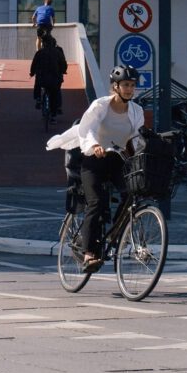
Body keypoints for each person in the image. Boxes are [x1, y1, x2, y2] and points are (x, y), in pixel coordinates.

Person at [72, 65, 144, 271]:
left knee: (132, 193)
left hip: (117, 161)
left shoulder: (136, 111)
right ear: (116, 86)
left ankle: (115, 234)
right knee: (96, 203)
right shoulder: (100, 106)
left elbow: (137, 137)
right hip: (94, 161)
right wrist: (95, 145)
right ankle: (88, 254)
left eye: (132, 85)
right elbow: (87, 128)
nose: (130, 89)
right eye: (126, 85)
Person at [29, 33, 67, 123]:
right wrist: (63, 71)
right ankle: (53, 115)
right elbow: (63, 64)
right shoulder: (58, 52)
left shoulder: (39, 53)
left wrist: (32, 73)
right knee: (55, 93)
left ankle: (38, 98)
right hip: (55, 79)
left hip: (42, 79)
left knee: (37, 82)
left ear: (44, 43)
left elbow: (33, 65)